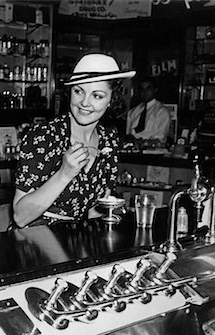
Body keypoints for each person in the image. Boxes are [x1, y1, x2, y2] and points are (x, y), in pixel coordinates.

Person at [13, 53, 135, 228]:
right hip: (34, 237)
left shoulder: (109, 140)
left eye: (97, 96)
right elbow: (20, 217)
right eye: (79, 91)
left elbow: (96, 211)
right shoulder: (44, 136)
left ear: (111, 100)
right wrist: (65, 173)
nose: (84, 102)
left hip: (77, 239)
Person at [126, 76, 172, 145]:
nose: (145, 92)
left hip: (152, 151)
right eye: (142, 89)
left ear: (155, 90)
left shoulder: (162, 112)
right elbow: (128, 135)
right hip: (134, 150)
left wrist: (143, 143)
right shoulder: (132, 112)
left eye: (148, 88)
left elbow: (160, 139)